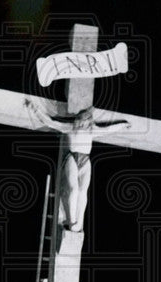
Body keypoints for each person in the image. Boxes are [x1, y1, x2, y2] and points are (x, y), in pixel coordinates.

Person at [24, 99, 131, 232]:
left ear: (88, 121)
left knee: (82, 192)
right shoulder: (70, 127)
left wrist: (122, 125)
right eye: (80, 121)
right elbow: (50, 122)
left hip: (85, 160)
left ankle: (78, 221)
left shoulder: (92, 130)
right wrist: (34, 109)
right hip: (72, 157)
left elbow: (108, 130)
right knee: (74, 189)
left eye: (84, 121)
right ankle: (72, 220)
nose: (81, 123)